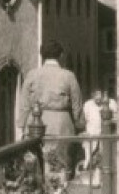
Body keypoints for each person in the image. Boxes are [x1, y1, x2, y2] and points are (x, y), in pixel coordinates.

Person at [17, 40, 84, 177]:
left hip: (35, 122)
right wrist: (79, 124)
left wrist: (22, 125)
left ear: (42, 55)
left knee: (36, 164)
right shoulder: (68, 76)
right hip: (61, 123)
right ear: (61, 55)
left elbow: (24, 103)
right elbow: (77, 104)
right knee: (61, 166)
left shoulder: (32, 74)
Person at [80, 89, 106, 175]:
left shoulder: (104, 104)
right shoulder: (88, 105)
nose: (98, 100)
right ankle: (86, 166)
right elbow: (85, 117)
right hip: (91, 129)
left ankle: (100, 168)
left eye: (100, 98)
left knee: (102, 150)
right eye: (96, 98)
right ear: (93, 96)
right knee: (89, 149)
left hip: (102, 130)